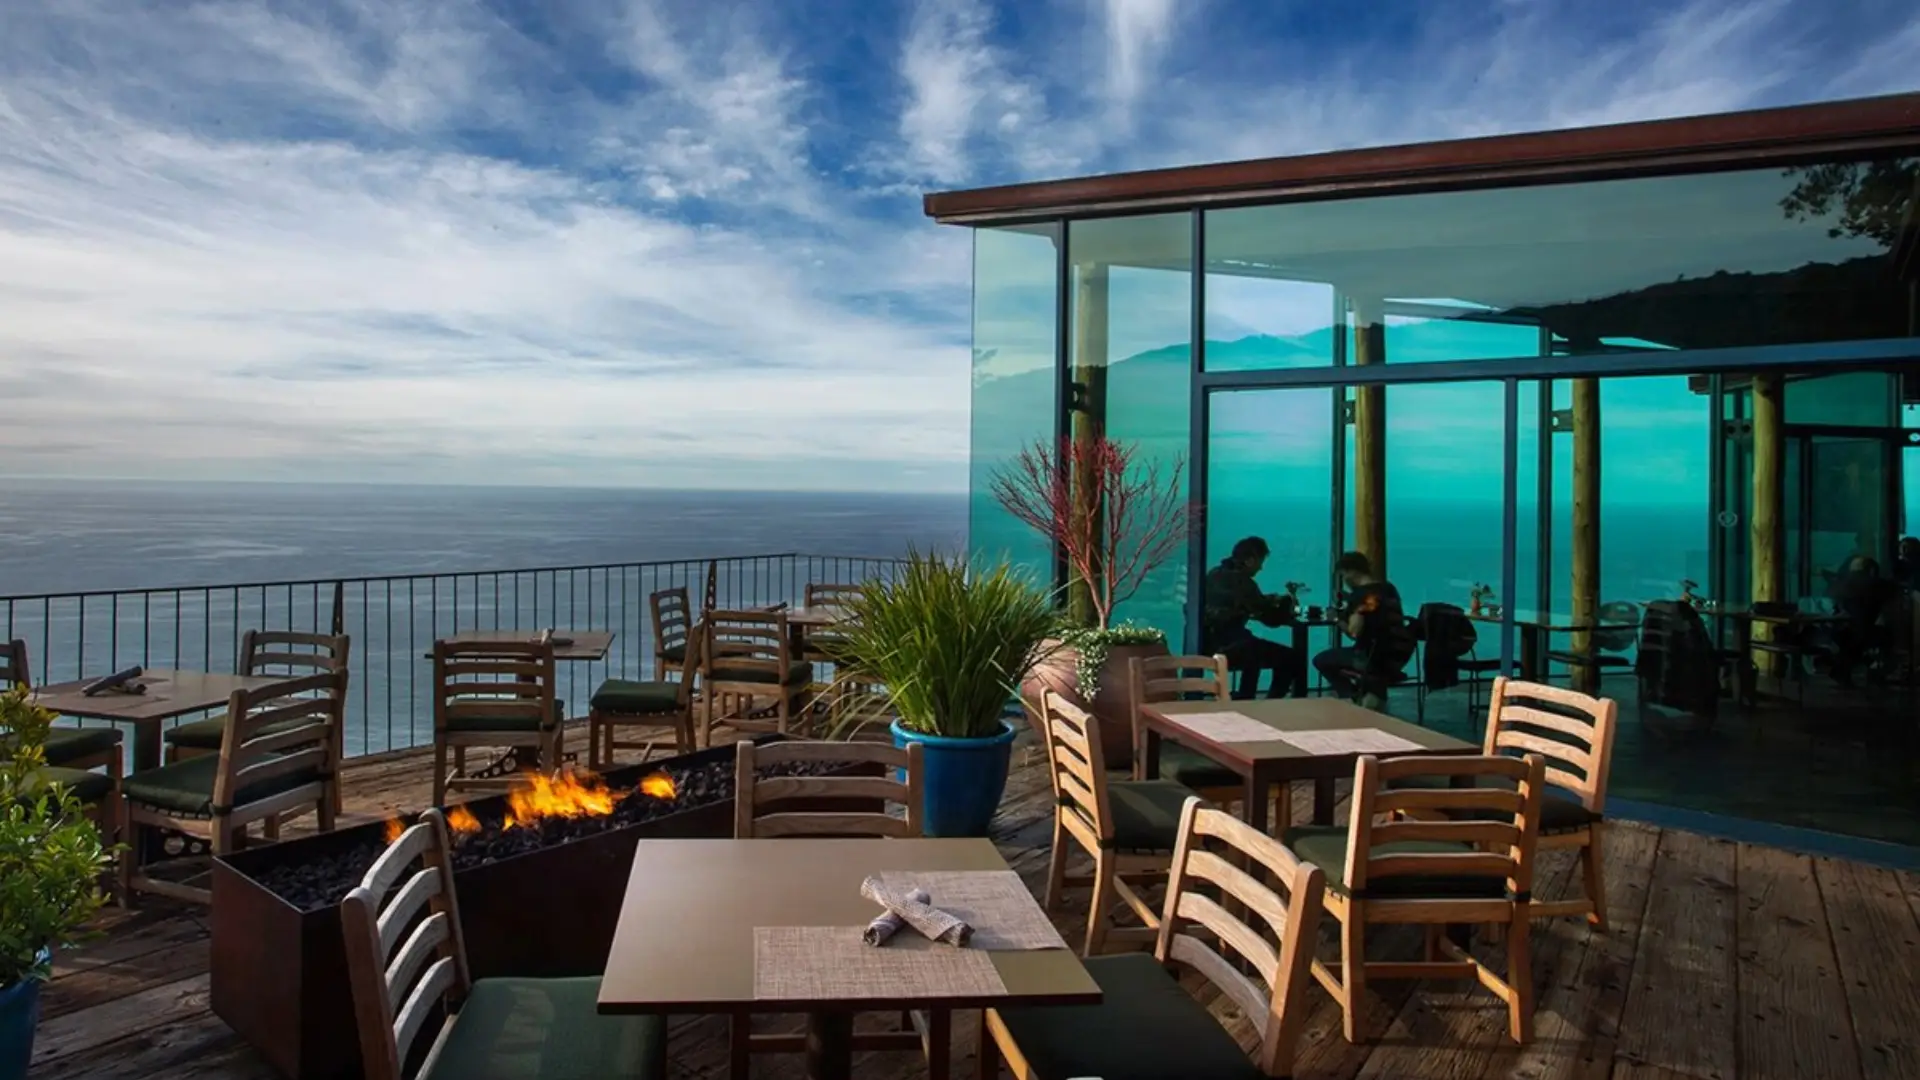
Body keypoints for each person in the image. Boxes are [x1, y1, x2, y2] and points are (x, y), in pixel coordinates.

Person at [1202, 537, 1306, 699]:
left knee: (1253, 648)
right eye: (1260, 562)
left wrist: (1264, 601)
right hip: (1232, 646)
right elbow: (1269, 619)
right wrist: (1285, 605)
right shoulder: (1243, 581)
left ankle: (1246, 697)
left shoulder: (1214, 574)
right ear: (1250, 560)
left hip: (1207, 644)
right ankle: (1266, 701)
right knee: (1290, 658)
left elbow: (1241, 603)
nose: (1261, 568)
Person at [1313, 550, 1415, 705]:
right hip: (1397, 655)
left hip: (1370, 657)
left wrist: (1335, 619)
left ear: (1351, 571)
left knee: (1321, 660)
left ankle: (1351, 696)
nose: (1345, 580)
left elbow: (1354, 632)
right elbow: (1376, 610)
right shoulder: (1389, 588)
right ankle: (1367, 688)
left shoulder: (1359, 596)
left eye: (1344, 575)